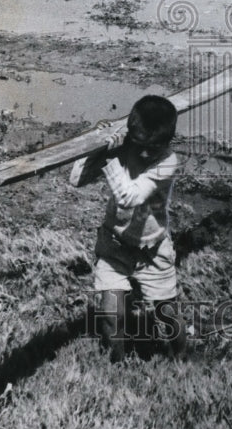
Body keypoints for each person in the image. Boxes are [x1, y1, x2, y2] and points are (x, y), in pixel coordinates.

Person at [70, 95, 186, 363]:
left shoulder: (167, 161)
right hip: (115, 246)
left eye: (153, 147)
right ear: (133, 135)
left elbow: (129, 197)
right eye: (140, 145)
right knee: (112, 315)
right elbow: (76, 179)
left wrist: (111, 157)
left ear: (167, 143)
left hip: (152, 252)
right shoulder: (126, 147)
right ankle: (117, 363)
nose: (145, 153)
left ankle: (182, 358)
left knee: (166, 313)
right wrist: (97, 148)